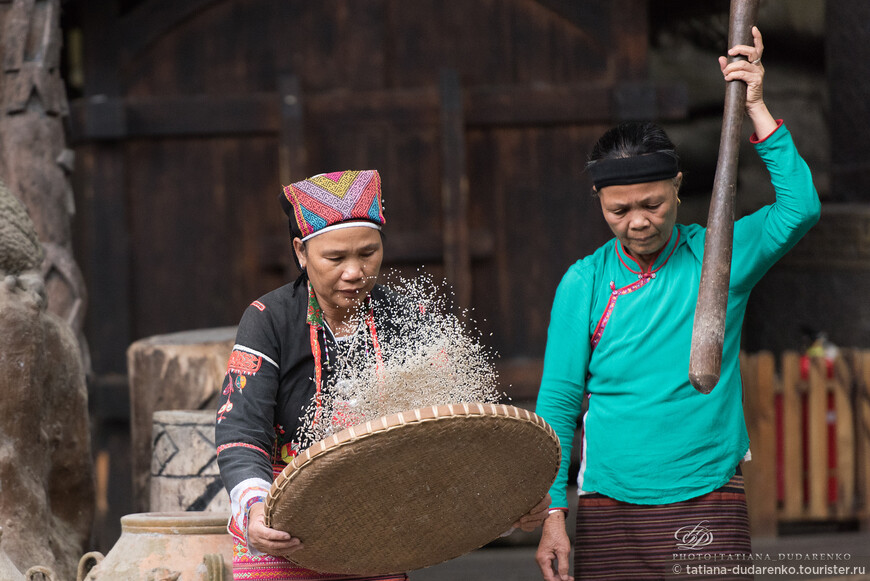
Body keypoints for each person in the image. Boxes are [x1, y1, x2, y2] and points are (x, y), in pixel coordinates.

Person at [534, 28, 820, 581]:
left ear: (679, 186)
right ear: (598, 200)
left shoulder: (720, 256)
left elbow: (801, 208)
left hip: (708, 490)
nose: (638, 221)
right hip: (608, 502)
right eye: (619, 210)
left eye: (653, 204)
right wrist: (552, 512)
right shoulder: (583, 284)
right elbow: (558, 405)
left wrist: (756, 104)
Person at [215, 169, 549, 580]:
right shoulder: (268, 319)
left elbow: (449, 432)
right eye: (335, 258)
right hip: (286, 523)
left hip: (377, 525)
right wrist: (253, 510)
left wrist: (510, 498)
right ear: (301, 252)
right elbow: (240, 429)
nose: (354, 271)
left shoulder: (410, 317)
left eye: (368, 253)